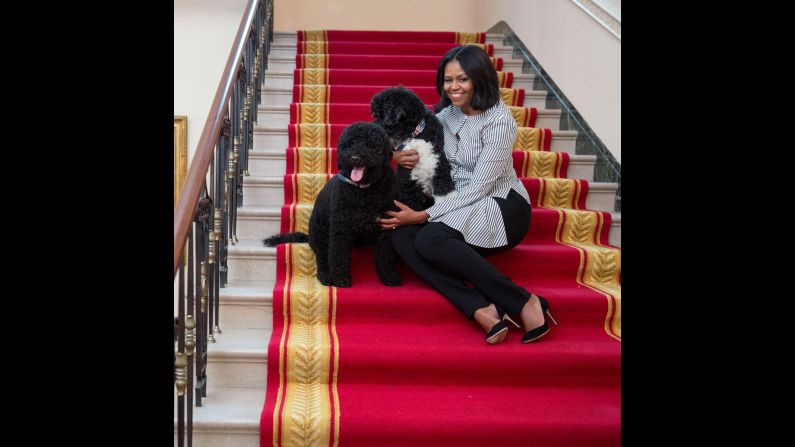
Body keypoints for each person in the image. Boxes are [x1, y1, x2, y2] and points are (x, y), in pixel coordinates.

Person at [378, 45, 556, 344]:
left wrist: (423, 216)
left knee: (428, 237)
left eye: (462, 79)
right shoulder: (444, 115)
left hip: (501, 205)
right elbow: (394, 129)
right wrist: (394, 154)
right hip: (456, 206)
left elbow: (480, 187)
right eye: (448, 80)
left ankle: (525, 301)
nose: (453, 87)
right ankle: (480, 307)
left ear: (479, 78)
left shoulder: (499, 121)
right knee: (401, 238)